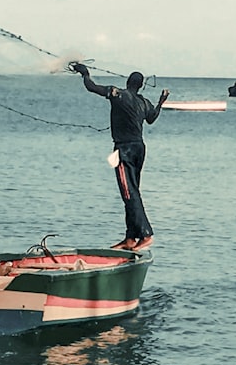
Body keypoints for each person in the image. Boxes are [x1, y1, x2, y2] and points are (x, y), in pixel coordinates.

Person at [70, 62, 169, 251]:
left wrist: (85, 73)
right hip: (140, 149)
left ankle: (146, 234)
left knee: (129, 193)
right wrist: (161, 101)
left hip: (124, 150)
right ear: (140, 86)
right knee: (131, 192)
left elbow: (91, 87)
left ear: (127, 82)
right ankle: (130, 238)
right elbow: (152, 117)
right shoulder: (143, 102)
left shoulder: (118, 94)